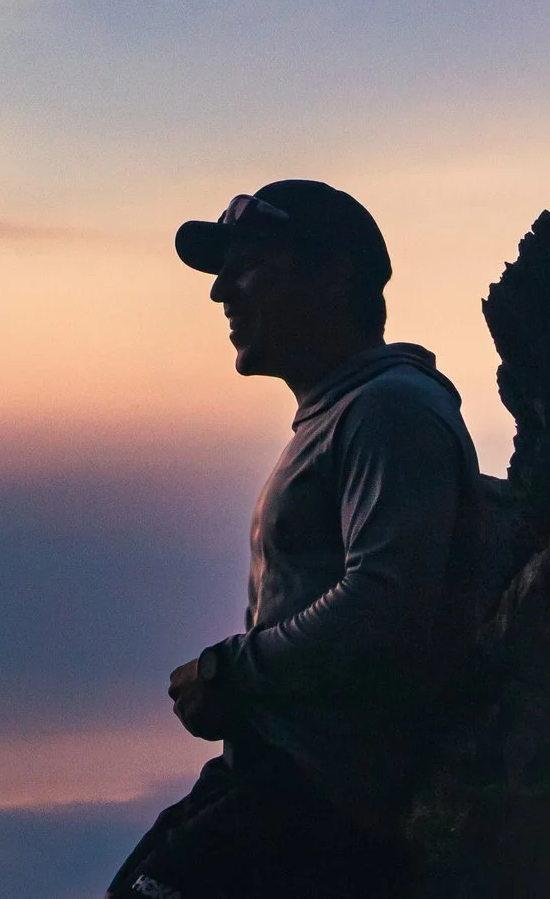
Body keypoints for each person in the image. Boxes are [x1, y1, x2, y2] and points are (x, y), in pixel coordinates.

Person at [109, 181, 479, 899]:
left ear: (332, 273)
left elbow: (385, 605)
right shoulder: (347, 412)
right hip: (285, 778)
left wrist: (231, 671)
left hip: (332, 801)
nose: (222, 294)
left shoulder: (388, 411)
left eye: (248, 265)